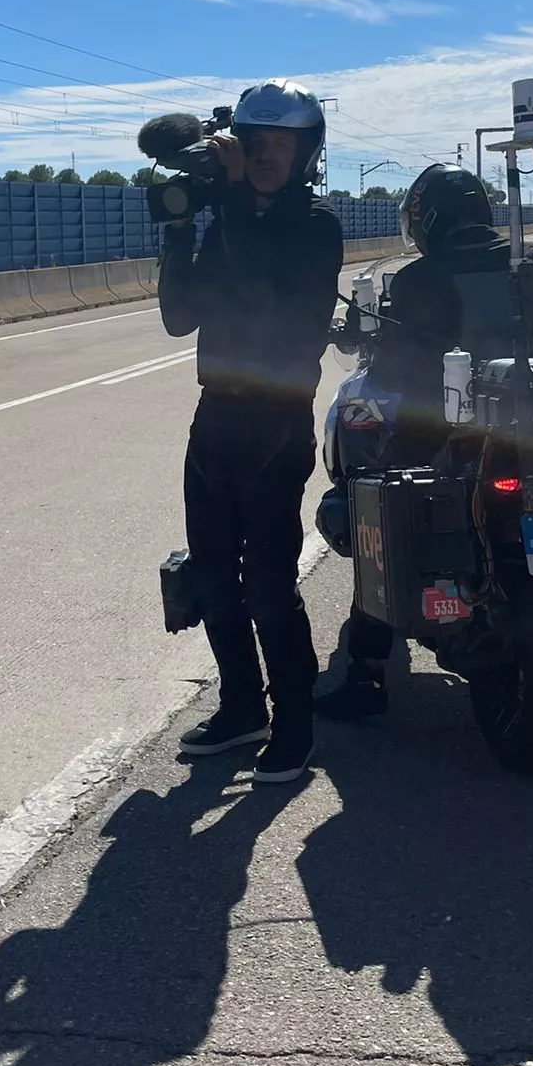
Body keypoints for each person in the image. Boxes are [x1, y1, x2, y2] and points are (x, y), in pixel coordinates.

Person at [317, 163, 533, 721]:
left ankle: (365, 673)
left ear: (428, 218)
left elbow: (393, 370)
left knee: (371, 508)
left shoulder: (419, 279)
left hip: (444, 435)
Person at [160, 80, 344, 784]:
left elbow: (272, 296)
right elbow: (182, 317)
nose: (263, 154)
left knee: (268, 582)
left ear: (306, 152)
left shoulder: (315, 223)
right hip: (215, 415)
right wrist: (179, 231)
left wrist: (232, 201)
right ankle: (242, 708)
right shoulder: (226, 219)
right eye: (252, 140)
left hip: (275, 422)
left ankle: (293, 726)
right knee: (211, 577)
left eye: (279, 142)